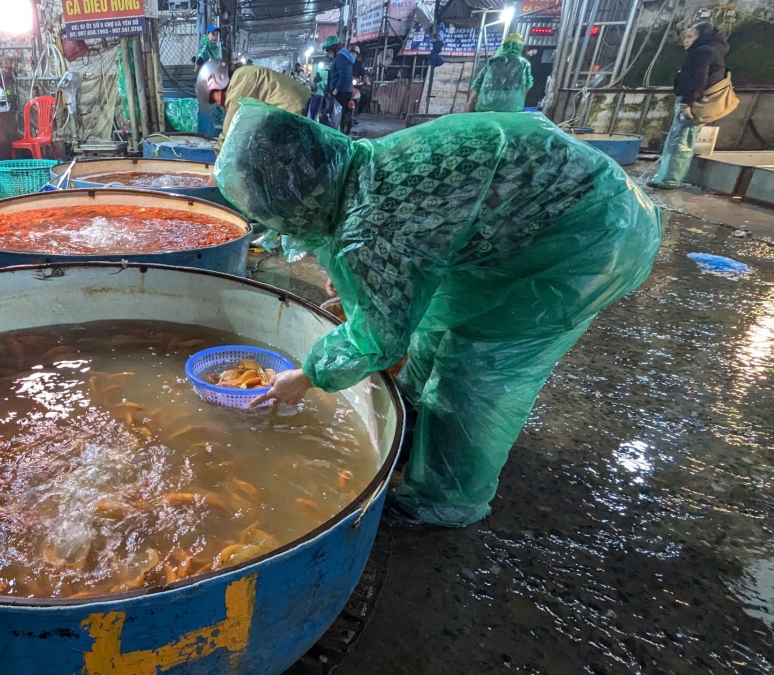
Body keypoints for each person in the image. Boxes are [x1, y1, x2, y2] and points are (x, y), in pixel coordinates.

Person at [214, 101, 661, 528]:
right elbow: (396, 268)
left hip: (587, 238)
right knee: (432, 329)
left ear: (297, 199)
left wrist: (306, 375)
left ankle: (446, 499)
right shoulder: (362, 166)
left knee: (475, 369)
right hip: (545, 213)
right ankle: (414, 427)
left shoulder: (374, 224)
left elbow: (379, 337)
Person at [650, 21, 729, 189]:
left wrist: (687, 102)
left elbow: (698, 79)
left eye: (690, 36)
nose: (685, 40)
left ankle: (669, 180)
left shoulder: (703, 52)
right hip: (698, 101)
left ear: (701, 37)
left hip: (693, 102)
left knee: (680, 141)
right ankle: (667, 177)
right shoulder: (713, 51)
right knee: (681, 139)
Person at [199, 62, 312, 150]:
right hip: (300, 113)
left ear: (219, 81)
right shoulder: (242, 75)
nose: (218, 103)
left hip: (301, 113)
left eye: (214, 98)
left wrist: (213, 175)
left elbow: (230, 134)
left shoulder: (239, 82)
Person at [466, 34, 533, 113]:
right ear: (520, 46)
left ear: (504, 45)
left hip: (486, 105)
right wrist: (520, 102)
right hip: (511, 106)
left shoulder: (493, 61)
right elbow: (528, 85)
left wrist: (469, 102)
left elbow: (478, 82)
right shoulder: (524, 64)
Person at [323, 35, 355, 133]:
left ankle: (340, 134)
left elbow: (343, 74)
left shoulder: (341, 57)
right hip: (346, 90)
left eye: (328, 50)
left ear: (333, 47)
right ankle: (342, 132)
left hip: (341, 91)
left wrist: (336, 89)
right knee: (341, 112)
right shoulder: (343, 56)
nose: (327, 52)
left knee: (337, 114)